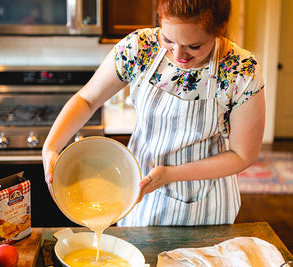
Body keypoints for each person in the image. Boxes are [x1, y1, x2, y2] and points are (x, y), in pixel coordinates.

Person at [42, 0, 265, 226]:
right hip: (139, 194)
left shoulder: (241, 70)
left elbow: (242, 154)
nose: (179, 55)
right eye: (168, 39)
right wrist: (51, 146)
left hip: (206, 206)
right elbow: (87, 100)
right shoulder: (140, 48)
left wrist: (171, 174)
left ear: (219, 30)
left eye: (194, 46)